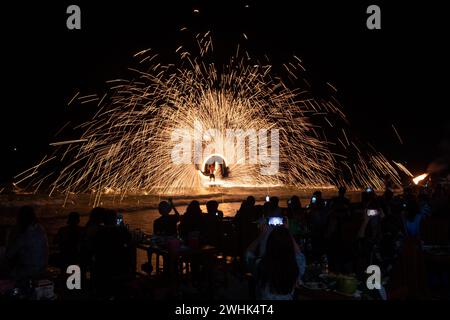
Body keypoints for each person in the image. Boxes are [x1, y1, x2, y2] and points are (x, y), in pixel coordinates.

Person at [256, 227, 305, 300]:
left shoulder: (260, 265)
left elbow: (247, 255)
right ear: (290, 245)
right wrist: (288, 234)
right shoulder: (296, 266)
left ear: (269, 244)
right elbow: (299, 255)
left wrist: (262, 236)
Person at [92, 209, 133, 297]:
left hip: (102, 266)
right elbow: (130, 240)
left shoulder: (99, 232)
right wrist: (122, 226)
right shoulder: (122, 230)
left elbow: (94, 247)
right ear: (115, 219)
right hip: (119, 265)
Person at [4, 206, 49, 282]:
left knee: (7, 271)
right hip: (42, 268)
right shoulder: (40, 229)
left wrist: (8, 236)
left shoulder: (25, 235)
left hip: (29, 271)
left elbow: (9, 254)